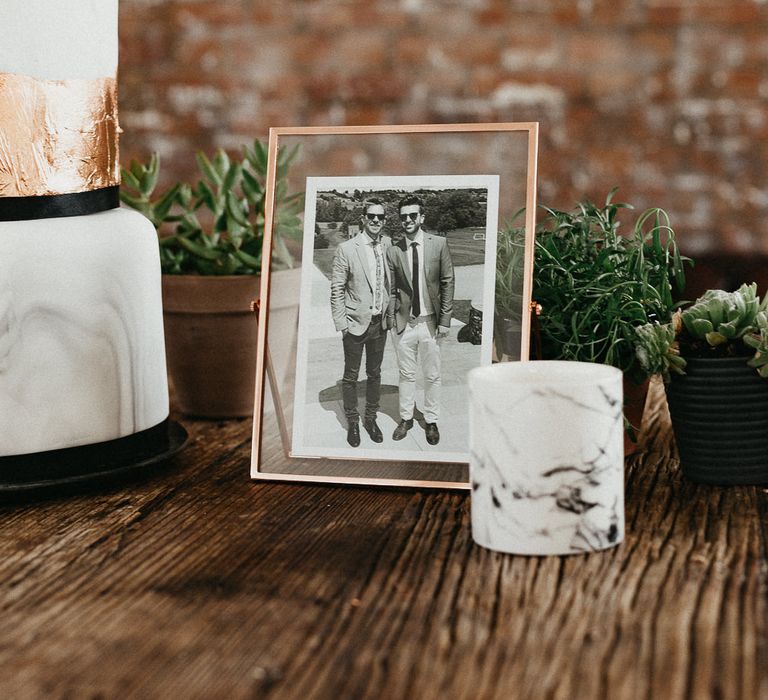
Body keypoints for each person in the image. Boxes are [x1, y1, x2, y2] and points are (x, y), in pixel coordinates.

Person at [386, 194, 455, 445]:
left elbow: (447, 281)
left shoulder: (438, 244)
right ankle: (405, 418)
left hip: (430, 323)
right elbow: (393, 288)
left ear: (421, 217)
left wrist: (445, 320)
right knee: (406, 374)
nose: (408, 220)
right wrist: (394, 320)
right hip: (405, 324)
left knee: (433, 375)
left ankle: (431, 420)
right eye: (403, 216)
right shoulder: (394, 250)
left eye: (412, 215)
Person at [330, 199, 392, 447]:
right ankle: (353, 422)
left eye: (380, 217)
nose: (376, 220)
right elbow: (336, 289)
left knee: (375, 374)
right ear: (364, 219)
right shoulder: (347, 248)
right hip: (355, 324)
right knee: (351, 376)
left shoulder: (387, 244)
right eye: (371, 216)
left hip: (380, 324)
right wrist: (342, 324)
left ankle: (370, 418)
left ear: (384, 220)